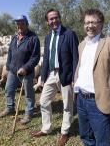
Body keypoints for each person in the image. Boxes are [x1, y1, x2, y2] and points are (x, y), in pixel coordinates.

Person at [73, 9, 110, 146]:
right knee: (86, 137)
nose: (89, 26)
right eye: (86, 23)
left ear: (101, 24)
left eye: (92, 22)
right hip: (81, 99)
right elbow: (80, 68)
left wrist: (108, 90)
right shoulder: (82, 45)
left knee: (102, 141)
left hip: (98, 101)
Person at [31, 9, 79, 146]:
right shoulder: (47, 37)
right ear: (47, 21)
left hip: (66, 74)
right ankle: (46, 128)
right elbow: (46, 58)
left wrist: (75, 76)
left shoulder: (69, 34)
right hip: (51, 73)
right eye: (51, 19)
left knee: (67, 104)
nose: (54, 21)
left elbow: (75, 57)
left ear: (60, 18)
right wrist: (42, 76)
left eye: (56, 18)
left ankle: (64, 132)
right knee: (44, 101)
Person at [0, 15, 40, 125]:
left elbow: (35, 57)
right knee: (8, 89)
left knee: (29, 93)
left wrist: (26, 68)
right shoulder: (14, 37)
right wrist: (8, 66)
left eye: (22, 23)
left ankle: (29, 113)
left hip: (26, 72)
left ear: (27, 24)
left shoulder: (33, 38)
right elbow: (10, 53)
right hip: (13, 70)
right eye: (18, 24)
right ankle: (9, 108)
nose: (19, 25)